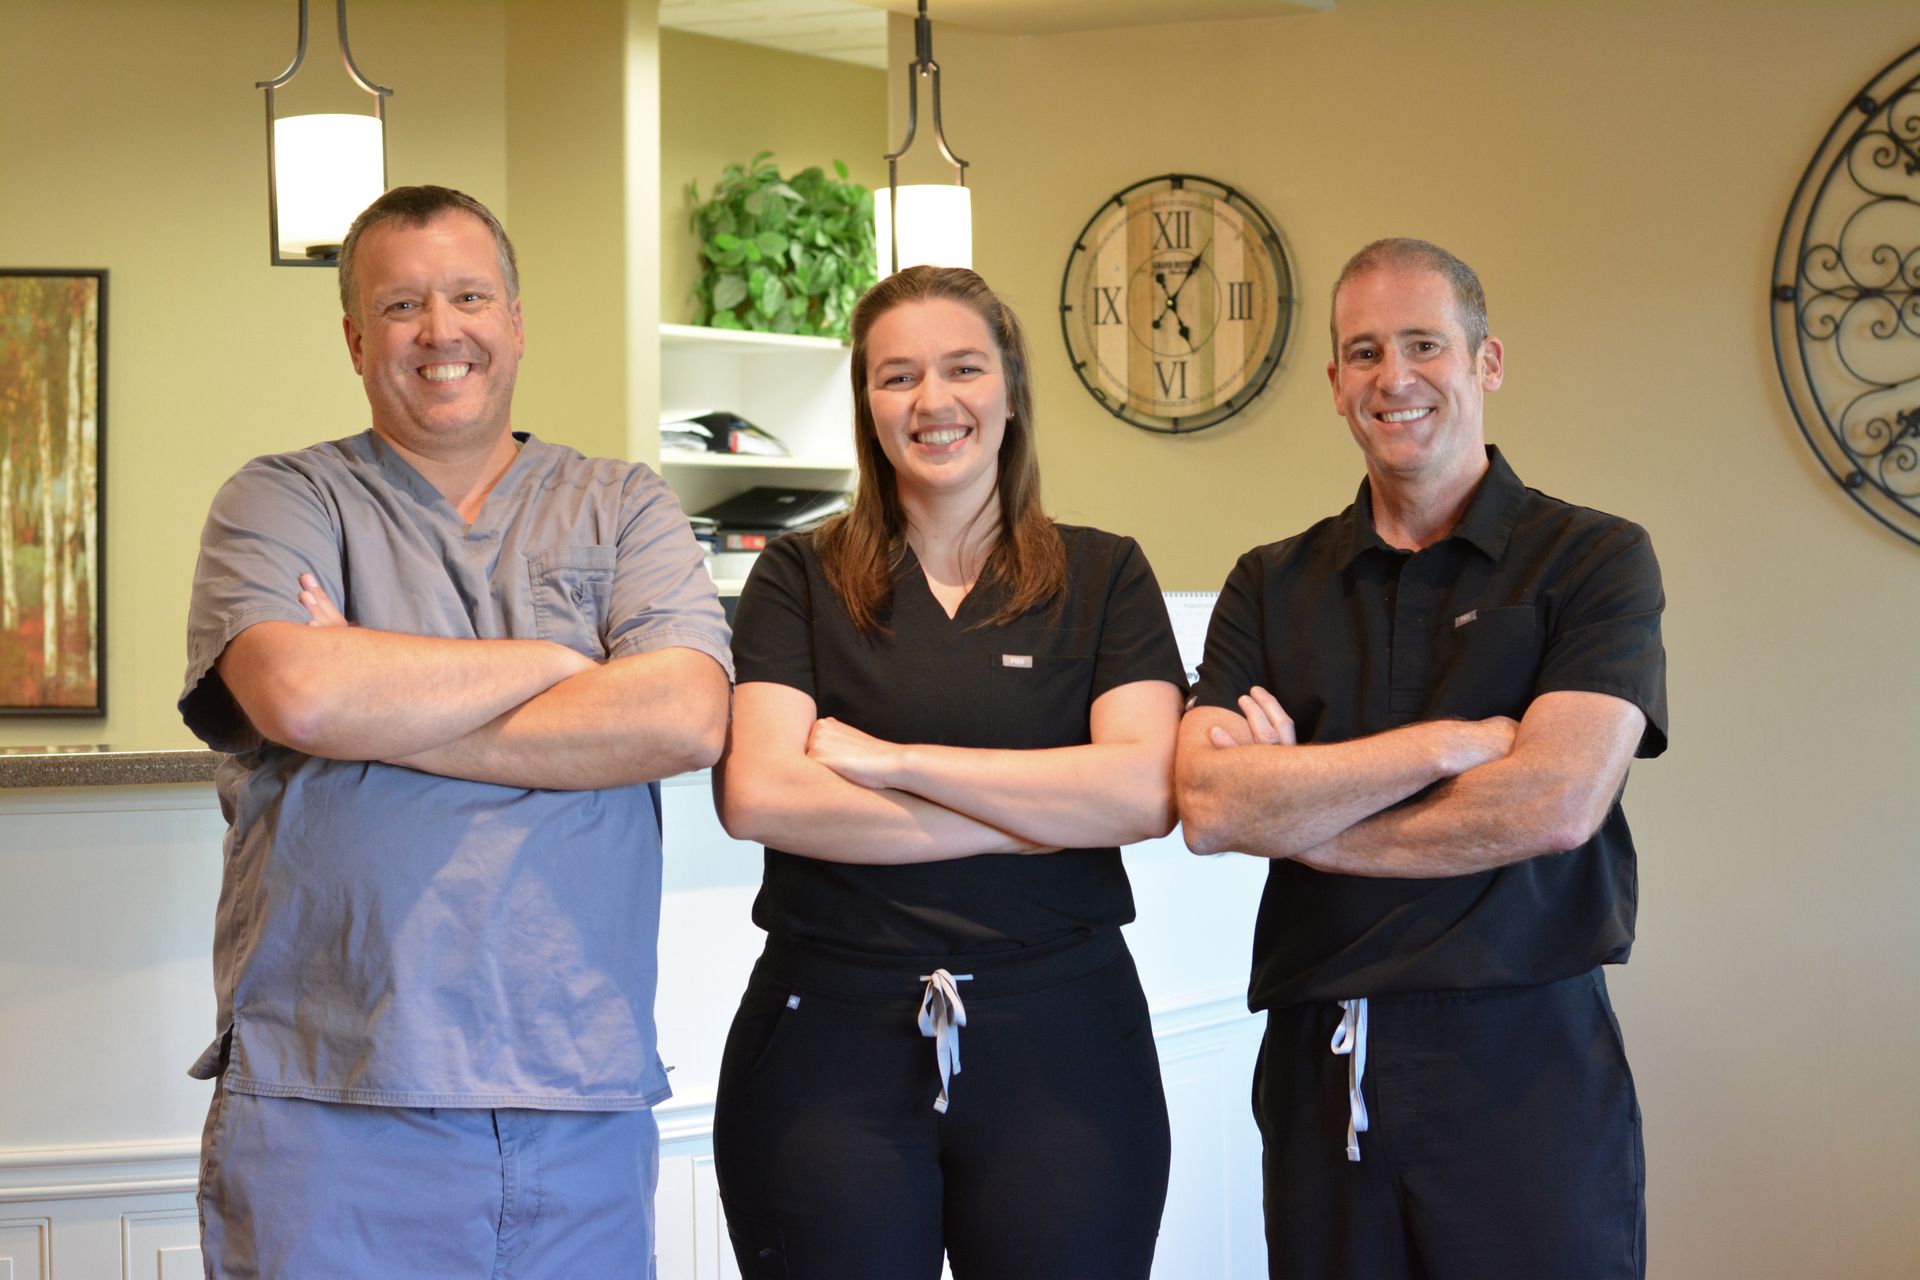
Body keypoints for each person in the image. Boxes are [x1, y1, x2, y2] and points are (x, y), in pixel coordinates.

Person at [178, 184, 732, 1278]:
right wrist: (557, 669)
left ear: (516, 321)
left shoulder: (621, 503)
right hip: (330, 1097)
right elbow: (301, 697)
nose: (442, 332)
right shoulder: (282, 500)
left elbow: (683, 711)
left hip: (579, 1094)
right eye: (402, 306)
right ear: (353, 339)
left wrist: (377, 700)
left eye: (471, 295)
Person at [1176, 238, 1668, 1280]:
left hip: (1526, 1066)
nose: (1393, 378)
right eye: (1363, 352)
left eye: (1423, 345)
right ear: (1335, 384)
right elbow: (1214, 804)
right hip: (1322, 1066)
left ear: (1487, 363)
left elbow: (1553, 802)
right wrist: (1447, 747)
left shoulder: (1594, 558)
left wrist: (1306, 817)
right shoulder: (1271, 582)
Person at [711, 265, 1185, 1279]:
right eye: (898, 376)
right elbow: (761, 795)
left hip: (1067, 1037)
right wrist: (1047, 804)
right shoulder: (797, 576)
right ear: (866, 404)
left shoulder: (1104, 574)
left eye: (962, 367)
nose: (933, 401)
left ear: (1010, 389)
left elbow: (1143, 793)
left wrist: (896, 764)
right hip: (826, 1044)